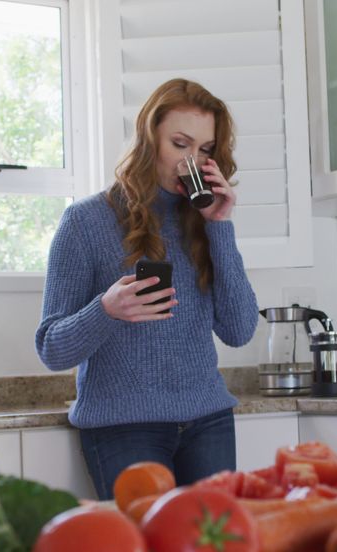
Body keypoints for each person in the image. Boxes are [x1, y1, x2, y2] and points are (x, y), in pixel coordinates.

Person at [34, 78, 259, 499]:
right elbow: (52, 349)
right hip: (123, 429)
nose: (191, 160)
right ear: (148, 138)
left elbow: (240, 330)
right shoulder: (85, 222)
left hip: (209, 420)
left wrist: (220, 227)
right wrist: (106, 309)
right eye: (180, 143)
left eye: (205, 150)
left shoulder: (205, 221)